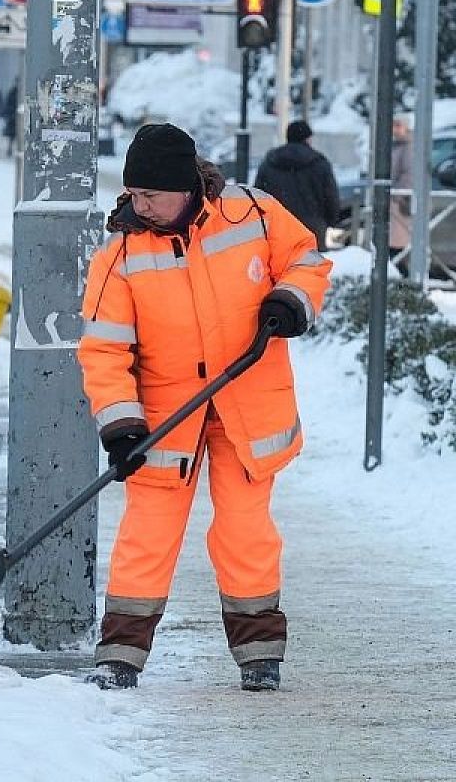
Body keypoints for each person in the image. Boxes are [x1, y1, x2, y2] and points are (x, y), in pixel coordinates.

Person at [77, 123, 332, 692]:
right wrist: (119, 423)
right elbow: (104, 347)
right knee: (148, 530)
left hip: (248, 405)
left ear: (185, 187)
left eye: (151, 196)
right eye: (134, 195)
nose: (140, 205)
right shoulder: (120, 253)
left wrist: (290, 301)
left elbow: (307, 260)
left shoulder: (253, 215)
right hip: (167, 413)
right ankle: (121, 651)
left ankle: (259, 652)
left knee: (245, 529)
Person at [254, 120, 341, 251]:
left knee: (280, 268)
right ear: (307, 139)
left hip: (278, 227)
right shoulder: (319, 163)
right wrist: (330, 220)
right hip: (312, 228)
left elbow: (258, 195)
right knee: (310, 268)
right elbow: (330, 196)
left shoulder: (270, 162)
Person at [389, 115, 413, 256]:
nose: (395, 130)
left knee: (399, 242)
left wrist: (397, 195)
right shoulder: (397, 146)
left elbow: (409, 174)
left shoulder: (408, 147)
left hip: (401, 202)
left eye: (399, 125)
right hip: (397, 200)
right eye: (394, 125)